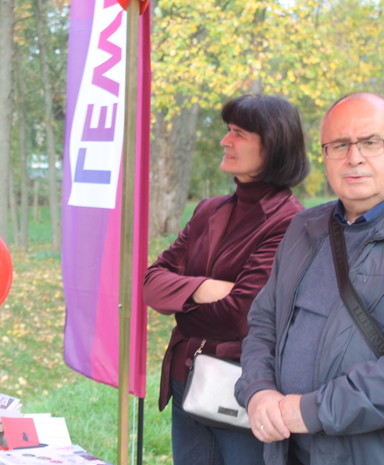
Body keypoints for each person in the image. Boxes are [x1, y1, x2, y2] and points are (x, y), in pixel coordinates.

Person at [143, 94, 309, 465]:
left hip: (242, 387)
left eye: (238, 133)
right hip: (187, 379)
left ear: (273, 144)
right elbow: (151, 283)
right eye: (227, 131)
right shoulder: (208, 211)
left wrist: (181, 303)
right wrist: (203, 289)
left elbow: (241, 316)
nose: (224, 141)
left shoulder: (290, 222)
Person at [236, 92, 384, 464]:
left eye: (371, 142)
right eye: (339, 145)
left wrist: (312, 411)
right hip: (287, 449)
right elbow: (264, 321)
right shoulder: (304, 227)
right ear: (324, 156)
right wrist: (258, 390)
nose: (354, 157)